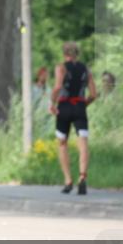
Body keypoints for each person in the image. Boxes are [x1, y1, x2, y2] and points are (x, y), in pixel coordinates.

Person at [49, 42, 98, 194]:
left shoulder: (61, 67)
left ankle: (68, 180)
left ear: (65, 54)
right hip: (79, 107)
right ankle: (82, 176)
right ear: (78, 53)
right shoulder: (86, 69)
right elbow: (94, 94)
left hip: (64, 106)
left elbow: (57, 87)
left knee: (62, 142)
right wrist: (84, 104)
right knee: (82, 141)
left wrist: (52, 103)